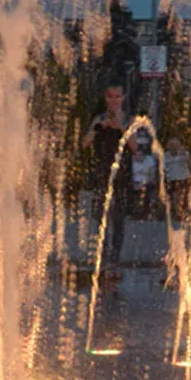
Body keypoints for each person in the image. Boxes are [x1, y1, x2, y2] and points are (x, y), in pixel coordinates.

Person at [81, 81, 136, 278]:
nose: (113, 100)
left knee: (119, 221)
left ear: (122, 98)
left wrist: (121, 128)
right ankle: (102, 262)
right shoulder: (99, 118)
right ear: (105, 98)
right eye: (110, 96)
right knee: (100, 219)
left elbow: (136, 149)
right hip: (102, 175)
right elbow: (85, 143)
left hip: (122, 176)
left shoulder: (130, 120)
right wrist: (99, 127)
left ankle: (115, 263)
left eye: (117, 96)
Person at [163, 137, 191, 220]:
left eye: (175, 145)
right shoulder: (165, 156)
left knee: (184, 197)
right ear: (168, 146)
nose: (173, 147)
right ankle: (177, 214)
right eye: (171, 145)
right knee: (175, 196)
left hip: (183, 178)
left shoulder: (184, 154)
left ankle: (184, 213)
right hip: (172, 180)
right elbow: (163, 169)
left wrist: (187, 157)